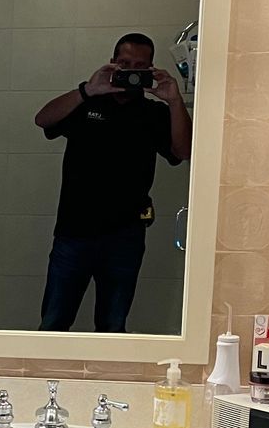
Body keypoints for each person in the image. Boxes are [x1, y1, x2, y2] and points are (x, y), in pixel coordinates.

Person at [32, 32, 192, 332]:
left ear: (150, 69)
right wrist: (87, 90)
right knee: (53, 323)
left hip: (125, 236)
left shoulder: (154, 113)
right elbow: (42, 120)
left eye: (139, 65)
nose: (130, 69)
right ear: (112, 63)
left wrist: (174, 101)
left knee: (112, 326)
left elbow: (183, 151)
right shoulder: (85, 102)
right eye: (124, 62)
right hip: (73, 232)